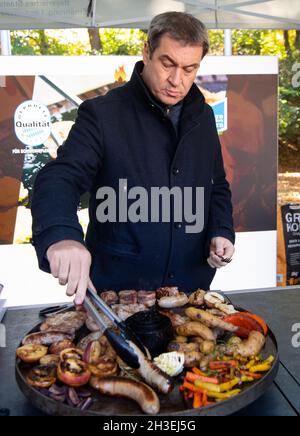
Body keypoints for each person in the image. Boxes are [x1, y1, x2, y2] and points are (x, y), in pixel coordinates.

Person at [31, 12, 235, 305]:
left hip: (191, 289)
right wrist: (61, 235)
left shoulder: (202, 116)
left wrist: (221, 230)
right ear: (147, 52)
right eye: (168, 64)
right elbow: (60, 176)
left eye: (190, 69)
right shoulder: (102, 114)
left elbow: (216, 186)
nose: (177, 80)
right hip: (120, 294)